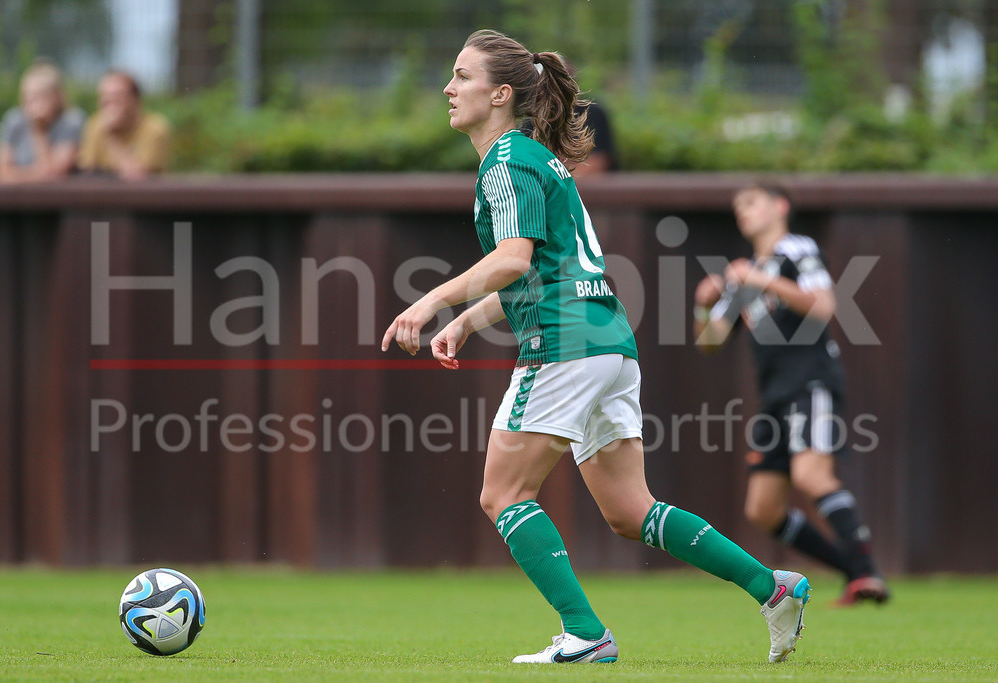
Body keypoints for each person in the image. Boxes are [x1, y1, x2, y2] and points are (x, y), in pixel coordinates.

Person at [381, 30, 810, 665]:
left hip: (565, 343)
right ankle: (770, 587)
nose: (449, 88)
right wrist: (468, 320)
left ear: (500, 94)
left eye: (462, 76)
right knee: (631, 510)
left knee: (504, 495)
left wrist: (429, 302)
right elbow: (541, 267)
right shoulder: (532, 158)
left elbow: (512, 259)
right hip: (608, 341)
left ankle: (585, 634)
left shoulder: (506, 162)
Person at [694, 183, 889, 606]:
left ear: (780, 206)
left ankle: (867, 572)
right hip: (775, 395)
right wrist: (704, 305)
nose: (742, 211)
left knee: (811, 476)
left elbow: (823, 305)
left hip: (810, 381)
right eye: (738, 206)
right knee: (763, 510)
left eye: (751, 202)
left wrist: (762, 279)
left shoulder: (796, 250)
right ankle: (854, 573)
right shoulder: (744, 273)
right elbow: (710, 341)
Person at [0, 60, 84, 183]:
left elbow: (54, 173)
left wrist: (39, 131)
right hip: (17, 193)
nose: (34, 103)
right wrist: (35, 174)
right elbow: (1, 172)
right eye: (29, 96)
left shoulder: (71, 121)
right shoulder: (14, 120)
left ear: (57, 96)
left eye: (41, 96)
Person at [78, 70, 170, 180]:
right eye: (105, 96)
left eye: (117, 96)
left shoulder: (154, 129)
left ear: (135, 100)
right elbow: (86, 172)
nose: (110, 103)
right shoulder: (95, 124)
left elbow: (139, 179)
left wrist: (112, 137)